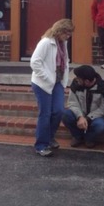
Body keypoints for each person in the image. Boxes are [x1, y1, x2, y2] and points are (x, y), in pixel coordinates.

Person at [30, 18, 74, 157]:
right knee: (45, 113)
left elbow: (64, 61)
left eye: (70, 33)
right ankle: (41, 145)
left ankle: (49, 137)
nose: (69, 36)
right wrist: (48, 78)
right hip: (43, 83)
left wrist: (62, 80)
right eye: (67, 32)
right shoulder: (45, 43)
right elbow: (35, 62)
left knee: (59, 111)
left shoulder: (63, 43)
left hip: (57, 82)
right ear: (59, 31)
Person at [62, 65, 104, 148]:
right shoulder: (76, 85)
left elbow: (103, 109)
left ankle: (89, 138)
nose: (76, 79)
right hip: (80, 115)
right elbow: (72, 103)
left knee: (101, 125)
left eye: (79, 78)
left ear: (87, 81)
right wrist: (80, 117)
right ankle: (77, 136)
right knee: (65, 114)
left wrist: (88, 118)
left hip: (94, 118)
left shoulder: (102, 87)